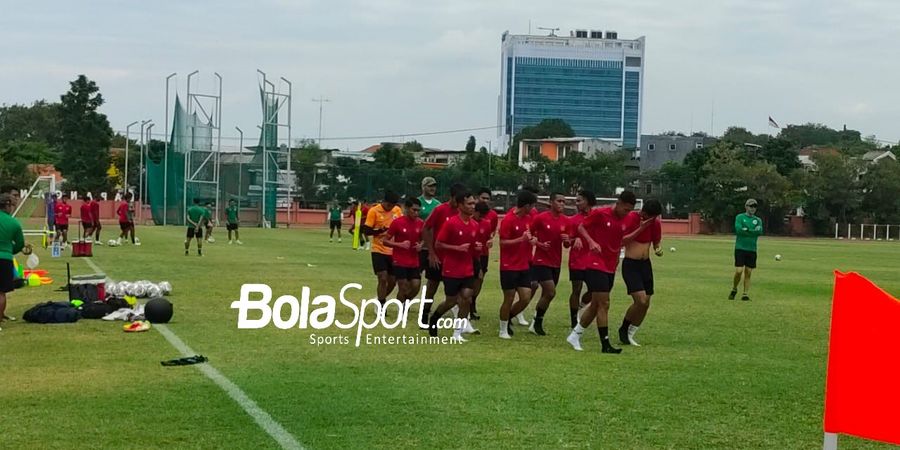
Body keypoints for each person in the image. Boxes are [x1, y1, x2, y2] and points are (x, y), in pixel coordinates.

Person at [566, 191, 640, 354]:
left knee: (595, 305)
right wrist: (591, 242)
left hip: (610, 265)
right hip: (595, 263)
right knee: (604, 303)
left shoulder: (627, 219)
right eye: (625, 209)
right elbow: (581, 226)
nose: (626, 213)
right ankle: (605, 344)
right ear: (618, 203)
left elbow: (623, 239)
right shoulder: (600, 213)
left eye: (629, 211)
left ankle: (574, 335)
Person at [428, 190, 480, 341]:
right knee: (451, 301)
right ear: (460, 205)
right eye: (469, 204)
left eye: (473, 204)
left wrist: (477, 248)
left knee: (466, 298)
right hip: (451, 269)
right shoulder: (451, 223)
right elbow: (438, 244)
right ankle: (435, 318)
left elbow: (472, 246)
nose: (472, 206)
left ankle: (457, 333)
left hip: (467, 268)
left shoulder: (474, 225)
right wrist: (456, 248)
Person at [618, 199, 664, 346]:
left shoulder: (655, 223)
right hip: (631, 264)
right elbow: (623, 241)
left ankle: (631, 333)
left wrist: (657, 249)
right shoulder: (631, 218)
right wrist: (641, 228)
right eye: (650, 216)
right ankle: (623, 329)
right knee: (640, 300)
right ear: (643, 212)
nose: (652, 220)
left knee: (646, 303)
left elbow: (656, 242)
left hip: (645, 265)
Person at [420, 183, 466, 325]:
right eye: (457, 200)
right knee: (432, 286)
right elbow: (426, 228)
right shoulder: (440, 209)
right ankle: (424, 315)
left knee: (458, 291)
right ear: (452, 198)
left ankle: (460, 319)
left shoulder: (462, 213)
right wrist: (431, 253)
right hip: (438, 257)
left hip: (455, 260)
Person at [528, 192, 570, 336]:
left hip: (556, 262)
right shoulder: (541, 218)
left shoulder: (566, 220)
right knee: (551, 292)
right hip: (541, 261)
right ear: (551, 202)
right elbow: (529, 234)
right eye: (559, 201)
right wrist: (539, 244)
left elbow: (566, 245)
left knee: (547, 294)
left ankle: (535, 322)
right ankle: (537, 321)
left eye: (564, 202)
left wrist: (567, 240)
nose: (562, 204)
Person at [498, 190, 538, 339]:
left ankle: (507, 318)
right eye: (532, 206)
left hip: (523, 265)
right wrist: (519, 240)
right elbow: (502, 242)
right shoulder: (508, 220)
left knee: (525, 297)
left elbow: (530, 237)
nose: (533, 209)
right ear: (526, 205)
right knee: (508, 298)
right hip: (509, 266)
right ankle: (503, 329)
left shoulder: (528, 219)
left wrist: (532, 240)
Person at [383, 197, 424, 308]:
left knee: (416, 286)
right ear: (406, 209)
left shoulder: (420, 223)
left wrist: (421, 245)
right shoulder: (397, 223)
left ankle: (404, 301)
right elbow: (385, 241)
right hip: (399, 260)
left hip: (414, 260)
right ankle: (402, 308)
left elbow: (425, 238)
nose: (416, 213)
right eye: (414, 210)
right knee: (403, 285)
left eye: (418, 211)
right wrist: (399, 245)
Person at [363, 191, 402, 306]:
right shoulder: (374, 211)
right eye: (389, 205)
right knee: (383, 277)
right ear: (384, 201)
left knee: (393, 281)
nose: (391, 208)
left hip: (393, 250)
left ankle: (380, 297)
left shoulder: (397, 210)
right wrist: (380, 230)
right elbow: (366, 230)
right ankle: (381, 305)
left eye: (393, 205)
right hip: (378, 249)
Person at [567, 190, 596, 328]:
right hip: (577, 260)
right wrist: (574, 239)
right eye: (576, 200)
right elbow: (566, 243)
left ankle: (580, 306)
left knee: (594, 290)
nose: (576, 203)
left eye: (579, 200)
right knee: (576, 289)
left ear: (588, 201)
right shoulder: (573, 220)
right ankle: (574, 319)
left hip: (593, 260)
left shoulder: (598, 217)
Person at [469, 187, 498, 321]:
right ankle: (466, 305)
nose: (485, 200)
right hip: (470, 255)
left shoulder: (489, 219)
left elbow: (490, 234)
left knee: (479, 279)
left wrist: (490, 241)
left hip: (483, 254)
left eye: (488, 198)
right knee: (470, 279)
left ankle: (472, 302)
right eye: (483, 197)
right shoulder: (469, 218)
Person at [1, 193, 28, 331]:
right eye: (12, 205)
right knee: (1, 293)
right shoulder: (14, 223)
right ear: (7, 205)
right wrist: (10, 250)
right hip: (4, 258)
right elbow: (20, 244)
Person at [731, 198, 763, 301]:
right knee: (739, 271)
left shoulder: (758, 220)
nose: (753, 208)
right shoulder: (740, 217)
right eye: (751, 206)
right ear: (746, 207)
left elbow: (759, 232)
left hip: (752, 249)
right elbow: (739, 230)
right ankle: (734, 288)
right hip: (740, 248)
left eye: (754, 206)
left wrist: (748, 230)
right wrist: (751, 231)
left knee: (748, 272)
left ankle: (745, 293)